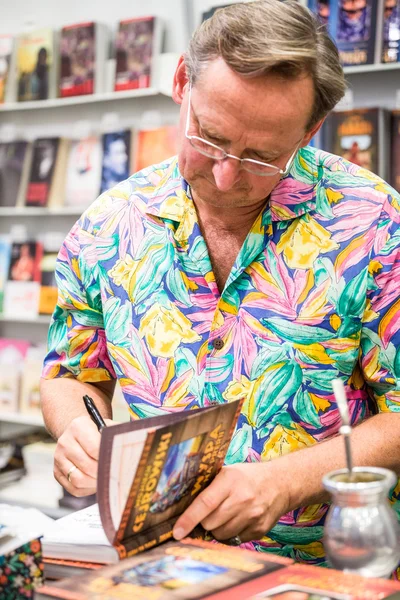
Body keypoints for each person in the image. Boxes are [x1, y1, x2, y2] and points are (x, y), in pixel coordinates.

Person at [40, 0, 400, 574]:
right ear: (182, 82)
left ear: (310, 129)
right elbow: (70, 373)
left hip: (320, 570)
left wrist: (286, 482)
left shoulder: (374, 223)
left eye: (262, 157)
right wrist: (78, 431)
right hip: (150, 563)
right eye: (209, 137)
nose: (226, 174)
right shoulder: (110, 222)